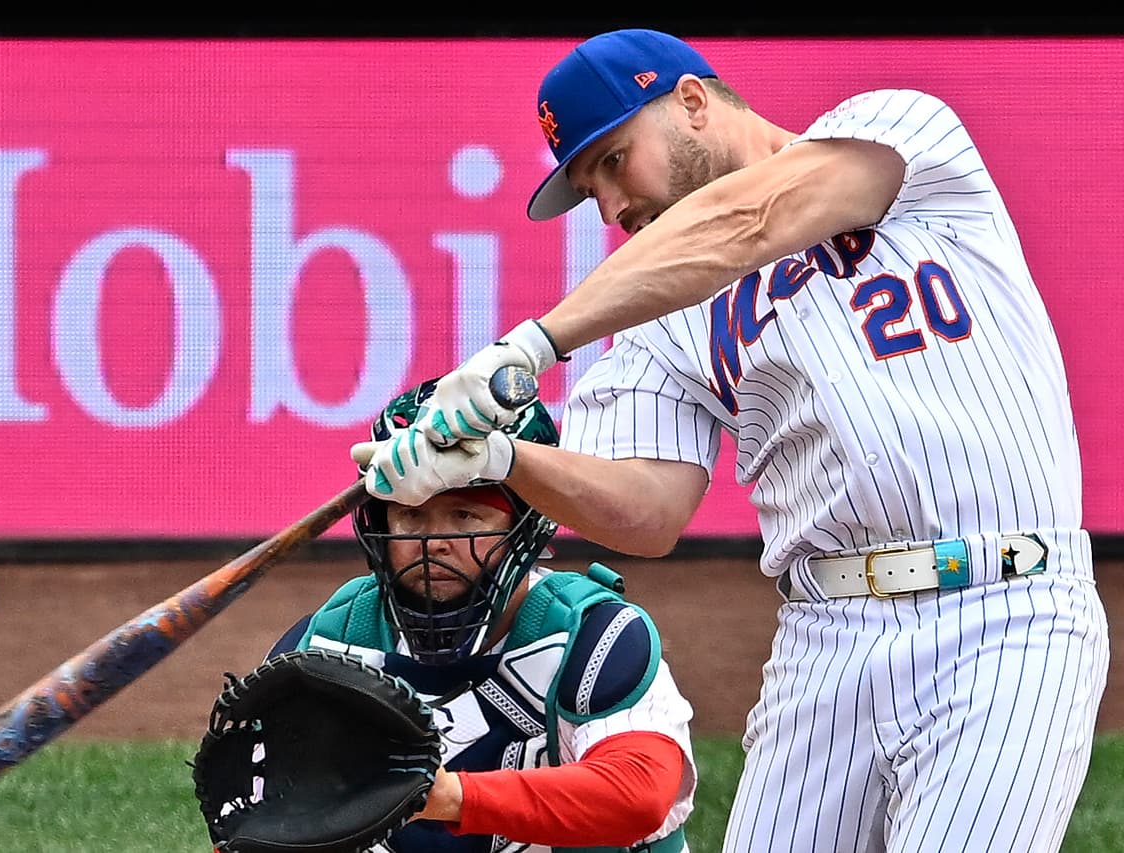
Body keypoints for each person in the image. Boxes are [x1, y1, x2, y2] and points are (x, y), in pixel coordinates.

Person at [351, 27, 1111, 853]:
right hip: (825, 639)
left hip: (1005, 608)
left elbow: (751, 217)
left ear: (690, 101)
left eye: (613, 159)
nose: (611, 206)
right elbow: (647, 511)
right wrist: (504, 459)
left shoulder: (901, 132)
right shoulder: (653, 319)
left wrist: (534, 343)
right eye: (586, 186)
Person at [269, 378, 698, 853]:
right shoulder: (329, 642)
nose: (435, 542)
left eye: (466, 516)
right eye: (411, 516)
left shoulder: (596, 637)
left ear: (525, 525)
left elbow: (638, 796)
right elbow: (258, 822)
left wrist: (454, 797)